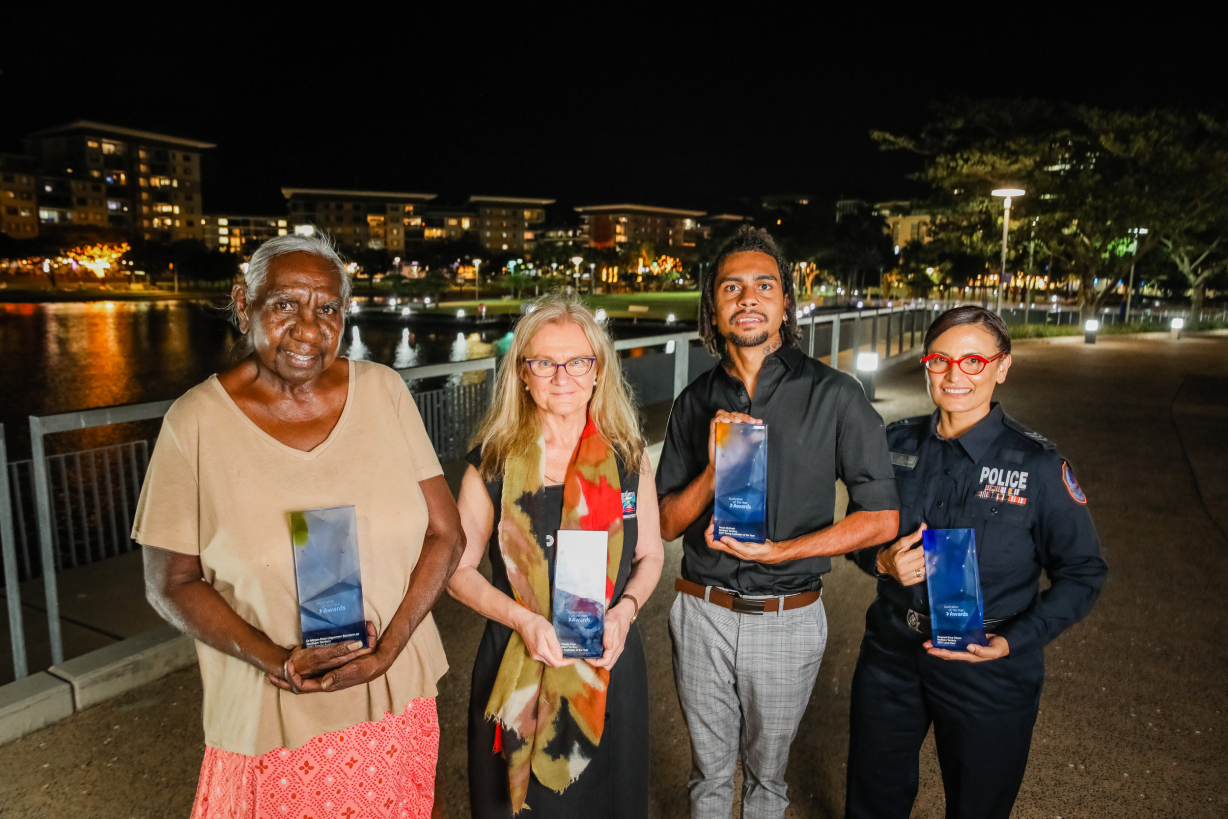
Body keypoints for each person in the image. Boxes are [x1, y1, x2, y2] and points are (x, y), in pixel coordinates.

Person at [134, 234, 464, 819]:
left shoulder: (385, 392)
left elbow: (446, 535)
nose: (308, 330)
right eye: (285, 304)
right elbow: (172, 582)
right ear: (244, 304)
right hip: (274, 715)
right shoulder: (196, 423)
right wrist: (275, 659)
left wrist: (390, 649)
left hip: (396, 701)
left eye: (327, 309)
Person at [655, 226, 900, 819]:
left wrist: (783, 552)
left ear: (785, 303)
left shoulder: (835, 395)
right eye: (731, 287)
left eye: (764, 285)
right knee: (707, 779)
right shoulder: (694, 400)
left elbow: (881, 518)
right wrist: (713, 474)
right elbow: (665, 523)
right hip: (702, 612)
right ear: (712, 308)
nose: (748, 298)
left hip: (787, 617)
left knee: (768, 782)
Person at [844, 305, 1108, 819]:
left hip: (987, 666)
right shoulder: (892, 446)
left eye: (973, 361)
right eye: (941, 360)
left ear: (1001, 367)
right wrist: (880, 561)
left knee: (978, 807)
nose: (954, 375)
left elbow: (1084, 572)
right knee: (873, 799)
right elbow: (858, 530)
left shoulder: (1038, 467)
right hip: (892, 654)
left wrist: (1013, 641)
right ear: (926, 365)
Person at [448, 295, 665, 818]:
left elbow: (651, 556)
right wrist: (522, 619)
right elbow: (456, 572)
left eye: (578, 362)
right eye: (544, 362)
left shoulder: (628, 460)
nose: (561, 375)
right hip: (516, 658)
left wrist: (625, 611)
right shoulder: (492, 465)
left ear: (598, 372)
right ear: (523, 374)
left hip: (607, 663)